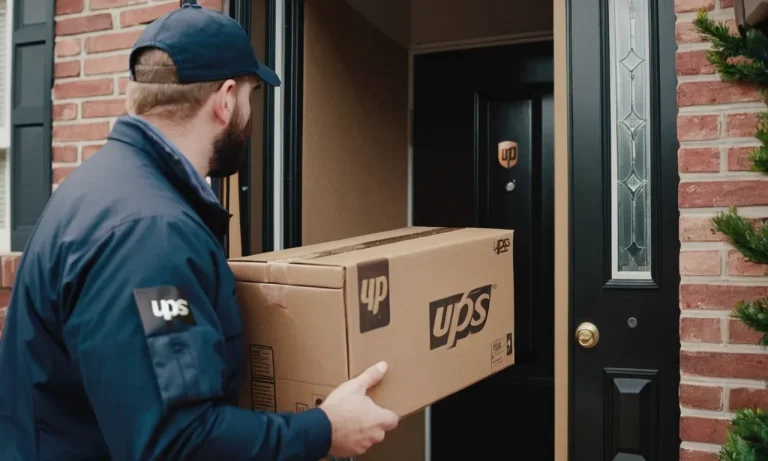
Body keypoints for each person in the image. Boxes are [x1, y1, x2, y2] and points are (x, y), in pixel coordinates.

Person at [0, 3, 398, 460]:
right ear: (226, 100)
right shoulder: (150, 233)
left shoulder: (101, 188)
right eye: (250, 96)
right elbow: (176, 443)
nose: (250, 113)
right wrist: (324, 430)